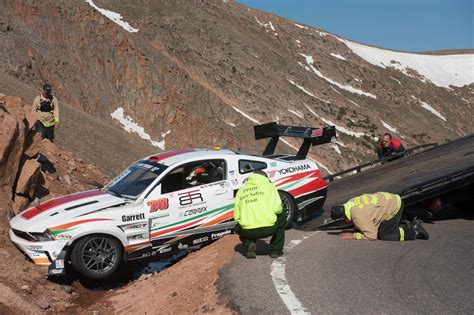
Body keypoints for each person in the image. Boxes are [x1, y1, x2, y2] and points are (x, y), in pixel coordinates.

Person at [331, 192, 429, 241]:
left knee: (385, 235)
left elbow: (372, 236)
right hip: (390, 198)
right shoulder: (350, 202)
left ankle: (414, 231)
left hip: (394, 206)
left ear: (342, 217)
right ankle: (406, 222)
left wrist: (353, 235)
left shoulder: (357, 216)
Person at [233, 170, 286, 258]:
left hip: (248, 231)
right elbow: (277, 208)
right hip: (269, 228)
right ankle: (276, 251)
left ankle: (249, 243)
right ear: (265, 178)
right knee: (282, 214)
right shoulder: (269, 186)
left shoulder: (241, 191)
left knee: (238, 227)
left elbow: (236, 216)